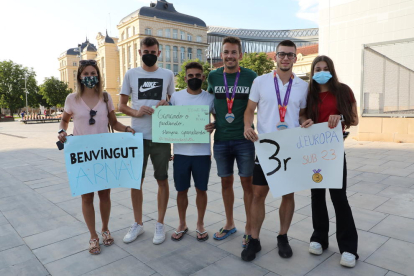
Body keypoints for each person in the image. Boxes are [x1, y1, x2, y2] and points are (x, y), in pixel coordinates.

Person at [242, 40, 313, 261]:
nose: (285, 58)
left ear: (295, 58)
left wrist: (305, 121)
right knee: (258, 195)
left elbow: (301, 114)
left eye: (290, 55)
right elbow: (249, 110)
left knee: (288, 194)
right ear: (275, 57)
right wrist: (247, 126)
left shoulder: (303, 86)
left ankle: (283, 236)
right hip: (265, 146)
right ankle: (254, 239)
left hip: (290, 146)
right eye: (281, 54)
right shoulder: (260, 81)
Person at [57, 59, 135, 255]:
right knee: (86, 197)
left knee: (104, 195)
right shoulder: (72, 99)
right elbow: (64, 120)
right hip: (83, 154)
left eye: (93, 73)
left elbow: (114, 123)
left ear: (98, 76)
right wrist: (61, 131)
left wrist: (126, 129)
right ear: (80, 77)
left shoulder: (106, 97)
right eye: (86, 74)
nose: (90, 77)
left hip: (103, 153)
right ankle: (93, 236)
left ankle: (105, 229)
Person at [119, 36, 175, 245]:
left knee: (162, 180)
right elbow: (121, 105)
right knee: (136, 181)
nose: (150, 55)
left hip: (160, 135)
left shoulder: (168, 74)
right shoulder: (131, 74)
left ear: (159, 53)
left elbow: (173, 101)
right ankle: (138, 223)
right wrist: (137, 111)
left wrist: (167, 103)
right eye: (146, 51)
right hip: (137, 135)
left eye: (153, 52)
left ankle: (160, 224)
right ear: (139, 52)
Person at [305, 55, 359, 268]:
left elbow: (354, 119)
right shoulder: (308, 94)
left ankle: (348, 248)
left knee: (339, 197)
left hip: (334, 151)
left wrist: (341, 118)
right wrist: (305, 122)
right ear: (312, 71)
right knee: (317, 195)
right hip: (313, 151)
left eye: (325, 68)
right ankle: (319, 238)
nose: (321, 72)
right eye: (317, 68)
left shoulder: (343, 90)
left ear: (332, 70)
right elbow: (301, 116)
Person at [207, 36, 257, 247]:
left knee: (248, 184)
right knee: (225, 183)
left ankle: (249, 227)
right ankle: (229, 223)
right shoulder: (213, 77)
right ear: (221, 55)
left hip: (244, 139)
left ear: (240, 55)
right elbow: (209, 103)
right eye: (226, 52)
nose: (230, 56)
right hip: (221, 140)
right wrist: (208, 121)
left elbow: (258, 105)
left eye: (233, 52)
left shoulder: (251, 77)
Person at [169, 62, 215, 242]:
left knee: (201, 189)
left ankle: (200, 224)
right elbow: (167, 123)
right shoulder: (175, 97)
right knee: (181, 190)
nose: (194, 79)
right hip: (180, 153)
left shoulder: (209, 98)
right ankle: (182, 223)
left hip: (202, 153)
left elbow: (218, 120)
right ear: (185, 77)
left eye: (198, 76)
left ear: (203, 78)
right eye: (190, 76)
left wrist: (214, 125)